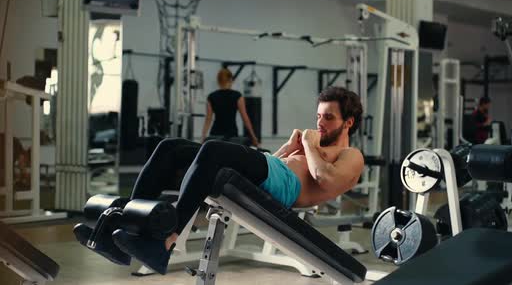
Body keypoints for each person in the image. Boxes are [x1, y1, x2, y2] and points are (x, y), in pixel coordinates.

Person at [76, 86, 365, 274]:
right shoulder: (312, 145)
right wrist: (288, 149)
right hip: (269, 171)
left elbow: (324, 179)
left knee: (213, 149)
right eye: (318, 116)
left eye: (327, 117)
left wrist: (310, 145)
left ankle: (166, 240)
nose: (319, 123)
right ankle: (124, 224)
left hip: (284, 188)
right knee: (169, 147)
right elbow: (274, 163)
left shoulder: (350, 154)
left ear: (348, 122)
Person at [201, 67, 259, 146]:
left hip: (215, 134)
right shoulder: (237, 96)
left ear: (218, 81)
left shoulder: (211, 96)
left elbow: (208, 119)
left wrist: (203, 137)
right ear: (231, 80)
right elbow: (245, 119)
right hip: (231, 135)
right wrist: (253, 137)